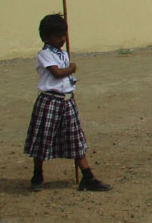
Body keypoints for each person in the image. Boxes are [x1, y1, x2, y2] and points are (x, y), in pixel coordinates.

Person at [24, 14, 111, 192]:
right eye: (58, 36)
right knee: (42, 139)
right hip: (49, 101)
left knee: (75, 139)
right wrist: (71, 68)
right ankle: (37, 174)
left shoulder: (63, 54)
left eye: (64, 35)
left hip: (66, 101)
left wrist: (71, 86)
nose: (63, 39)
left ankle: (88, 177)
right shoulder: (45, 55)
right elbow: (56, 73)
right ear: (46, 37)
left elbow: (66, 78)